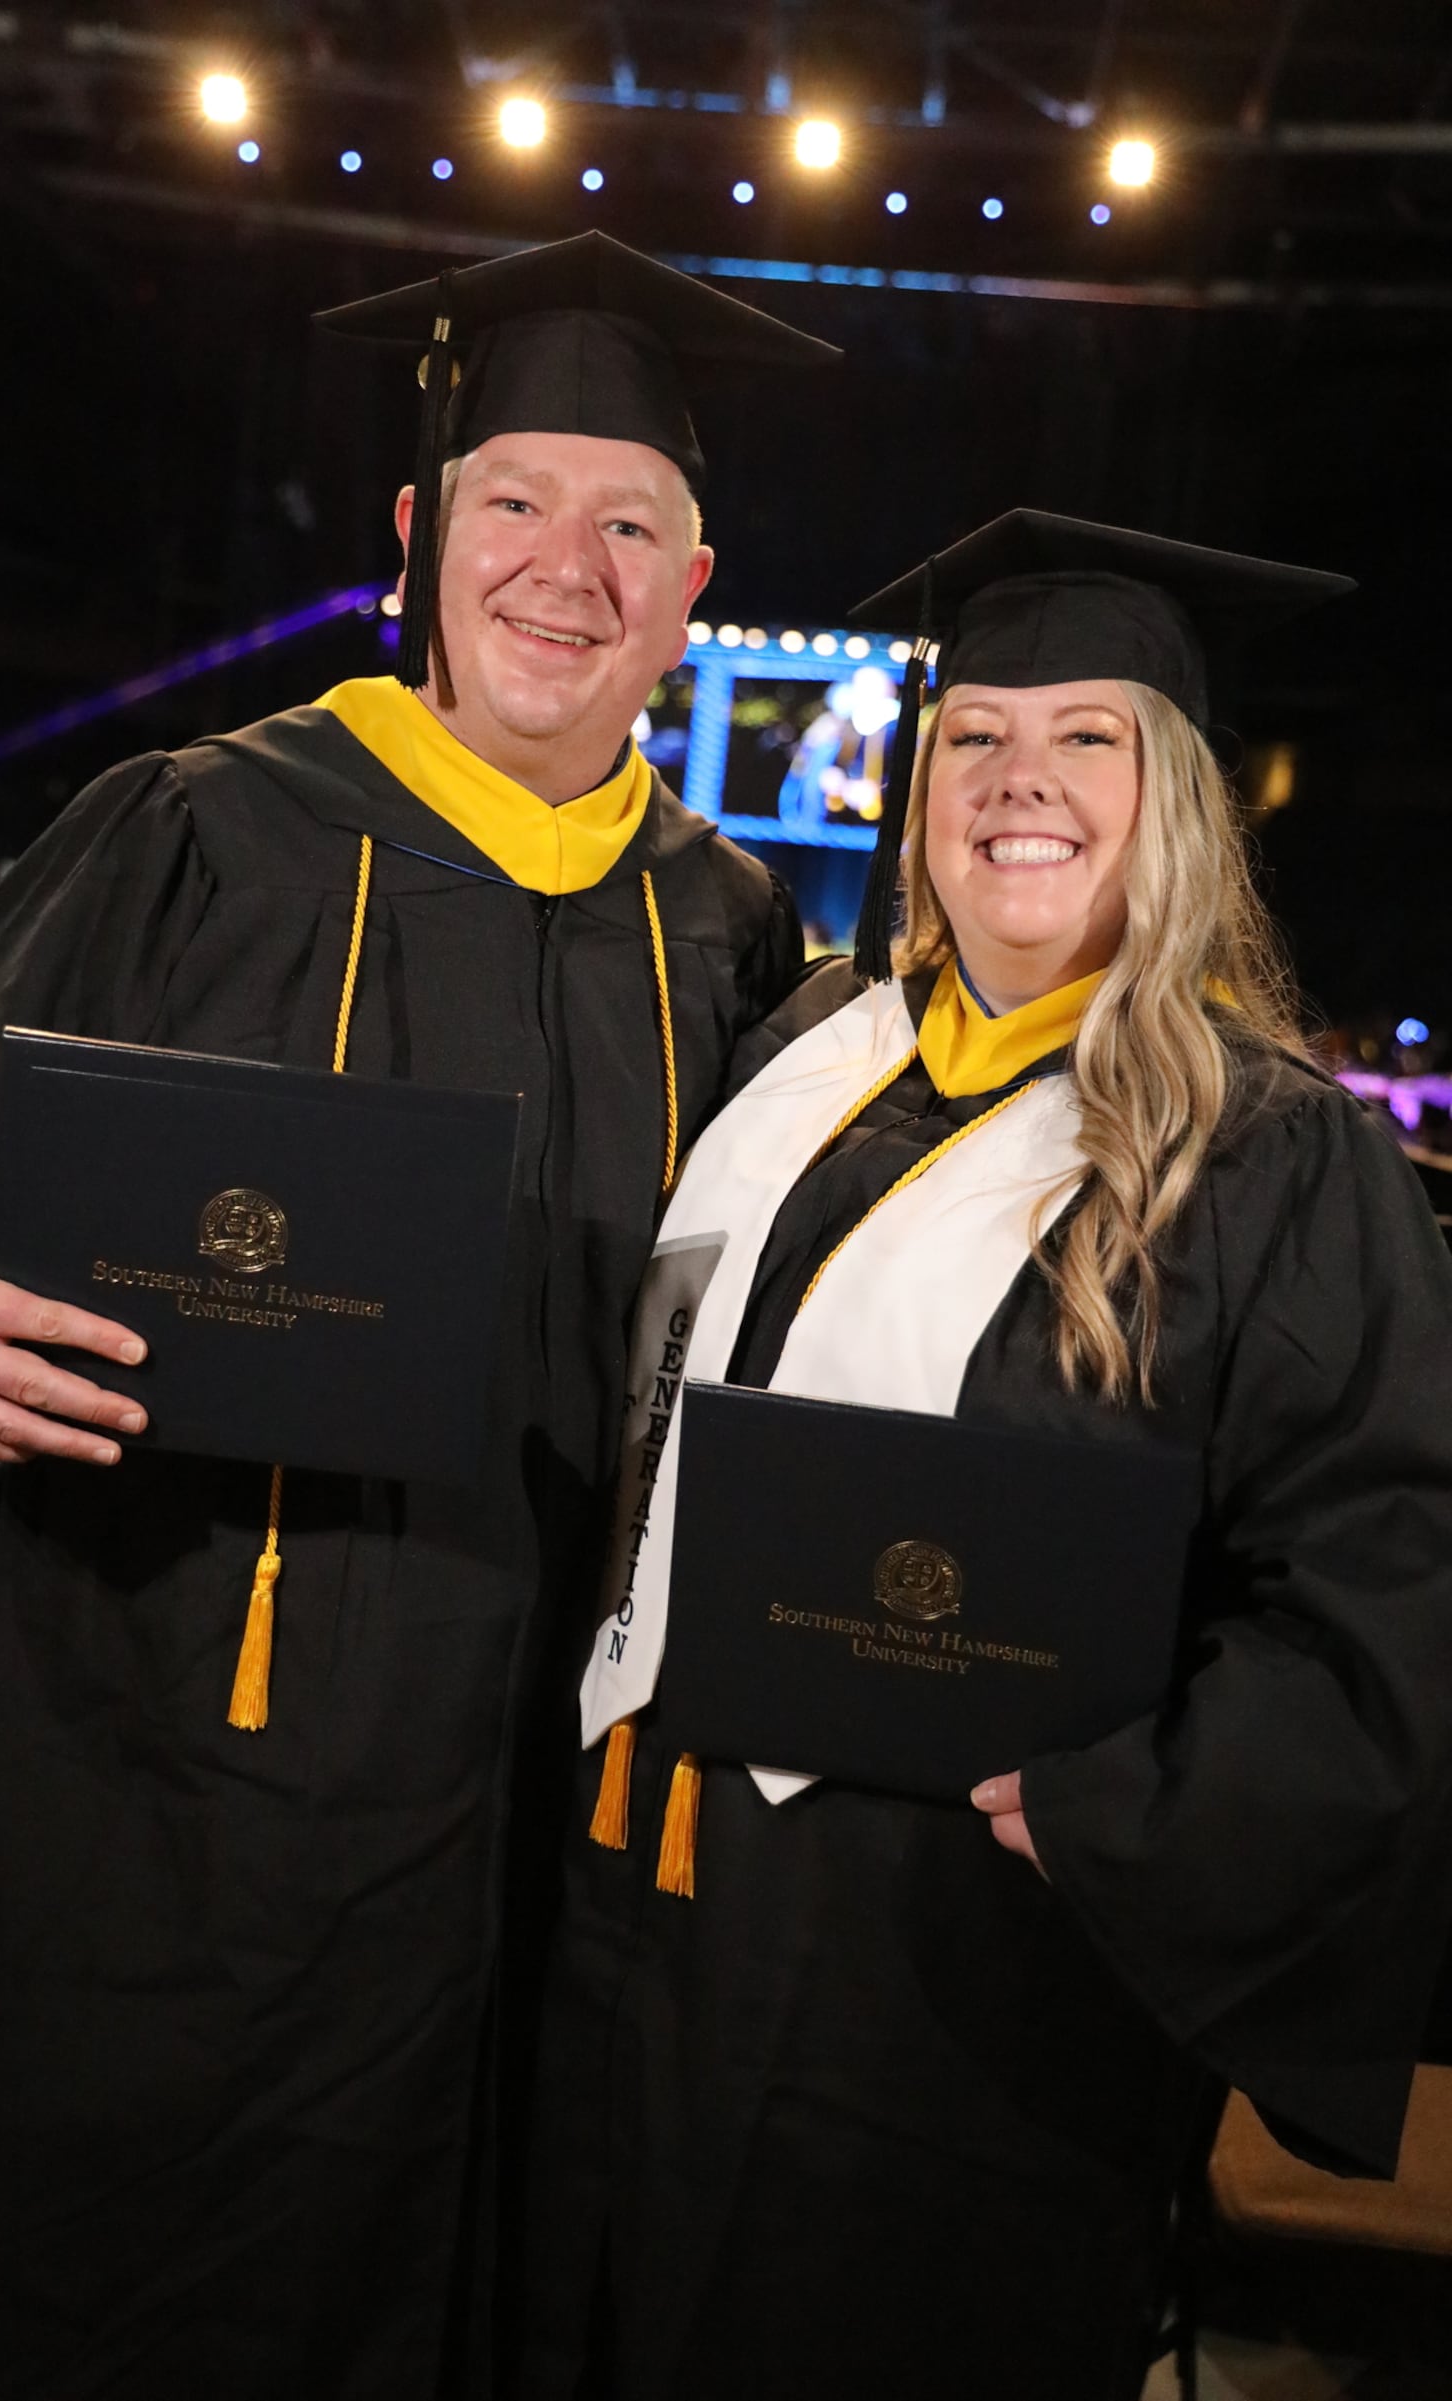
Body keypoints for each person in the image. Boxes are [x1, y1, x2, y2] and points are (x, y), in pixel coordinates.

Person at [0, 234, 834, 2400]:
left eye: (626, 526)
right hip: (192, 1783)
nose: (563, 567)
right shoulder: (197, 830)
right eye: (511, 503)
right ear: (417, 531)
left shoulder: (731, 922)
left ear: (693, 586)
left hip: (556, 1829)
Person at [519, 511, 1452, 2400]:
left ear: (1175, 800)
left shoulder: (1269, 1156)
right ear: (918, 788)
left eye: (1088, 736)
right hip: (622, 1935)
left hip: (949, 2003)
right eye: (975, 735)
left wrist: (1132, 1807)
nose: (1020, 778)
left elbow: (1387, 1587)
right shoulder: (799, 1061)